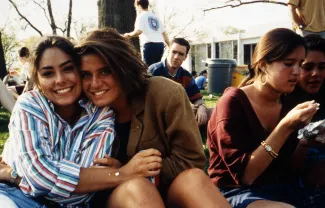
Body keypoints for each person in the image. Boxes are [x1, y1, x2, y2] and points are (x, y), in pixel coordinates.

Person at [75, 28, 231, 208]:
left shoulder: (165, 93)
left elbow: (191, 159)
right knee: (137, 188)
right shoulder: (79, 109)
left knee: (194, 179)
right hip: (112, 197)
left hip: (167, 191)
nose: (94, 84)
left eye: (105, 72)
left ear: (123, 67)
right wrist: (124, 174)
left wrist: (134, 170)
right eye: (86, 75)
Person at [207, 28, 323, 208]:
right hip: (236, 191)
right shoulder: (233, 103)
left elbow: (291, 169)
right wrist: (285, 127)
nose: (297, 71)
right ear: (262, 64)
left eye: (300, 64)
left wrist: (304, 143)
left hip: (282, 188)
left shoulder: (287, 101)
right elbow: (247, 176)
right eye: (288, 63)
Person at [0, 36, 117, 207]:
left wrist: (12, 174)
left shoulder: (101, 114)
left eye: (68, 69)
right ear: (37, 80)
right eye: (48, 73)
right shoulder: (30, 105)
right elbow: (44, 178)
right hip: (14, 196)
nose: (60, 79)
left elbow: (82, 194)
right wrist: (114, 175)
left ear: (79, 70)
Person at [148, 38, 209, 126]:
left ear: (185, 57)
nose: (176, 57)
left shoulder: (186, 76)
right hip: (155, 116)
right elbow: (147, 101)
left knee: (210, 113)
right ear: (168, 51)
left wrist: (202, 107)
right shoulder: (153, 71)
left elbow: (196, 97)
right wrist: (182, 107)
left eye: (181, 54)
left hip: (177, 116)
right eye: (174, 52)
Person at [123, 0, 170, 66]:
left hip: (150, 46)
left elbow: (138, 31)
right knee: (155, 68)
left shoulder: (141, 16)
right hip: (160, 46)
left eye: (136, 7)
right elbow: (164, 34)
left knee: (148, 69)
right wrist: (169, 46)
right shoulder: (156, 17)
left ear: (138, 5)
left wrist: (128, 35)